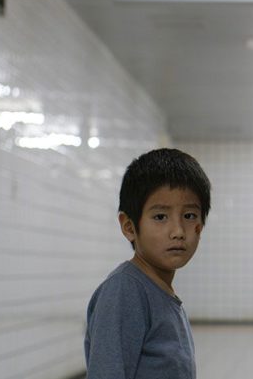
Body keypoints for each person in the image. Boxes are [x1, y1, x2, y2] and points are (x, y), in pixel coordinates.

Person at [85, 148, 211, 379]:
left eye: (189, 216)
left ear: (200, 227)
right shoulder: (124, 291)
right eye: (160, 217)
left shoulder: (160, 291)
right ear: (129, 227)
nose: (178, 231)